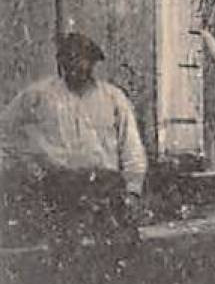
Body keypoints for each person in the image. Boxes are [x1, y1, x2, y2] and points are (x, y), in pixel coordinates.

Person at [0, 33, 147, 253]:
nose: (76, 65)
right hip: (62, 185)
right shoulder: (39, 96)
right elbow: (6, 128)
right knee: (66, 252)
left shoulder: (113, 98)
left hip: (105, 185)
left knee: (118, 250)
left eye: (82, 59)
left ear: (93, 62)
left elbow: (131, 145)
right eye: (69, 58)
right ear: (61, 62)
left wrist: (133, 189)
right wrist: (31, 161)